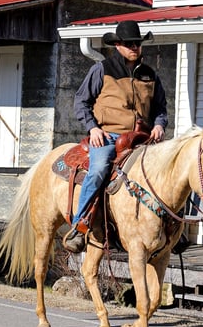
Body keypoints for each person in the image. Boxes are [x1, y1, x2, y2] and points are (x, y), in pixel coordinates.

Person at [62, 20, 168, 252]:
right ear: (117, 45)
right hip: (108, 136)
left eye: (137, 44)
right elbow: (81, 101)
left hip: (142, 138)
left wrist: (159, 125)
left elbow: (160, 108)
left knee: (171, 169)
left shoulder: (150, 75)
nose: (134, 47)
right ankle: (81, 225)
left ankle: (171, 229)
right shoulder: (102, 69)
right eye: (129, 44)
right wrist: (93, 128)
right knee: (99, 168)